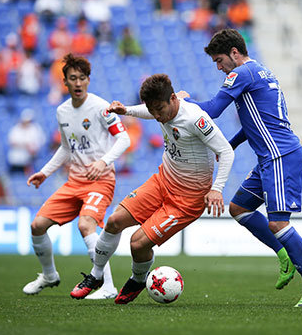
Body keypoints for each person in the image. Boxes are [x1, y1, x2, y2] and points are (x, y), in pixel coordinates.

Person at [178, 29, 302, 307]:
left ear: (235, 53)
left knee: (278, 222)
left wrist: (180, 103)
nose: (220, 68)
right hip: (270, 156)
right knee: (239, 208)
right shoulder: (262, 72)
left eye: (220, 60)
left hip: (280, 156)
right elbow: (256, 122)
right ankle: (284, 254)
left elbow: (212, 109)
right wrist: (230, 145)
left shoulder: (240, 74)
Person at [69, 74, 234, 304]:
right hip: (162, 181)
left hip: (186, 200)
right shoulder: (160, 109)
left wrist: (217, 188)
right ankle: (96, 276)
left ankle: (138, 279)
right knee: (114, 221)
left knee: (137, 243)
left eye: (159, 109)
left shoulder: (196, 119)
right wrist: (125, 110)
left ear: (174, 98)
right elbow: (149, 110)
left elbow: (226, 151)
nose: (157, 116)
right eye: (152, 110)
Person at [23, 53, 131, 300]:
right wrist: (45, 172)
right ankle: (49, 275)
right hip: (74, 182)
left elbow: (124, 138)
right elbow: (65, 148)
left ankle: (108, 286)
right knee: (37, 226)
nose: (78, 83)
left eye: (82, 78)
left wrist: (103, 162)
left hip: (101, 180)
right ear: (65, 83)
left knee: (86, 225)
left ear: (88, 80)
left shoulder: (101, 108)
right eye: (73, 78)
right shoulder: (62, 111)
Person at [7, 108, 46, 174]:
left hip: (30, 158)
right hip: (16, 158)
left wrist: (33, 147)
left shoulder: (35, 128)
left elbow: (41, 141)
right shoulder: (16, 129)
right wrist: (25, 145)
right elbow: (12, 142)